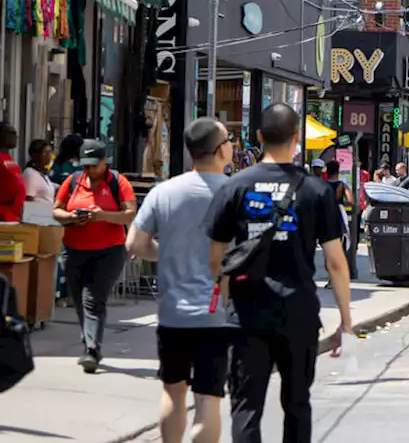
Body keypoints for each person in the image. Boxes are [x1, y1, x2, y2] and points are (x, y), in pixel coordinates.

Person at [206, 103, 353, 442]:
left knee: (245, 406)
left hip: (247, 314)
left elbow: (215, 258)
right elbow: (336, 262)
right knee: (298, 404)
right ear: (297, 138)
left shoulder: (235, 186)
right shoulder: (317, 191)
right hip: (298, 313)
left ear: (258, 137)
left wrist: (226, 303)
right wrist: (345, 319)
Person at [125, 118, 233, 443]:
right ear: (219, 150)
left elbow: (135, 244)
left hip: (173, 313)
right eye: (229, 140)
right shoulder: (235, 193)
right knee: (207, 399)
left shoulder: (165, 192)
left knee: (173, 393)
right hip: (218, 314)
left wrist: (166, 252)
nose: (232, 145)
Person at [52, 138, 136, 373]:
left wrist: (102, 215)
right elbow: (56, 210)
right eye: (85, 165)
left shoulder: (118, 182)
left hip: (108, 252)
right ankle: (89, 339)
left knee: (93, 299)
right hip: (74, 249)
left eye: (93, 165)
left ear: (103, 162)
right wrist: (70, 218)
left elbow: (129, 214)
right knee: (79, 299)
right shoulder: (73, 181)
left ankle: (92, 350)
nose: (89, 170)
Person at [0, 123, 24, 223]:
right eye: (11, 133)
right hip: (3, 216)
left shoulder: (8, 157)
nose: (15, 136)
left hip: (14, 216)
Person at [23, 139, 55, 203]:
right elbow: (28, 200)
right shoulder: (30, 173)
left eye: (50, 152)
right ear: (35, 155)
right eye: (45, 152)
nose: (49, 156)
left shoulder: (43, 174)